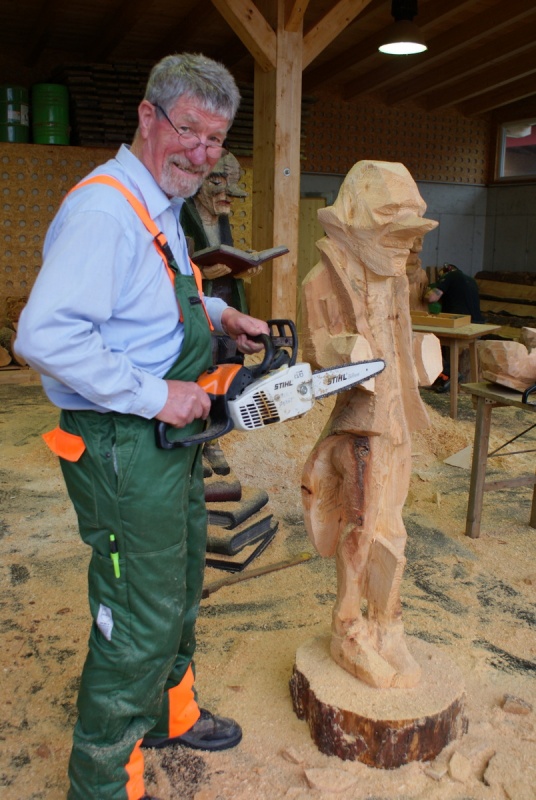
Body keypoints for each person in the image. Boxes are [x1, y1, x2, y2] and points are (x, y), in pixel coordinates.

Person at [15, 53, 269, 800]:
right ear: (148, 117)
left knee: (179, 583)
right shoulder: (105, 211)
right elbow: (44, 335)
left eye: (215, 139)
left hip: (168, 442)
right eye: (189, 130)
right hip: (124, 442)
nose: (201, 152)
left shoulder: (159, 201)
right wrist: (156, 395)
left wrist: (219, 315)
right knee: (137, 613)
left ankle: (169, 713)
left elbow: (149, 300)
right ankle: (101, 782)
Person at [301, 161, 439, 689]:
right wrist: (343, 349)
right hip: (361, 428)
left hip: (396, 421)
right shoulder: (321, 280)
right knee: (361, 528)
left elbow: (400, 343)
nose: (406, 248)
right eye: (395, 235)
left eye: (410, 237)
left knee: (394, 527)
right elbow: (316, 350)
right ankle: (348, 625)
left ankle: (388, 622)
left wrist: (418, 359)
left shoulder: (396, 282)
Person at [180, 152, 260, 475]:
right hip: (198, 310)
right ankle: (192, 447)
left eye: (230, 191)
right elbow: (174, 274)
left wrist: (241, 268)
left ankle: (214, 441)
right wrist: (200, 272)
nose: (226, 197)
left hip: (225, 305)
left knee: (226, 374)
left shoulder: (221, 219)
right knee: (198, 375)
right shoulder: (180, 217)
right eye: (217, 185)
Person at [425, 263, 484, 391]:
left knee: (429, 340)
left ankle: (449, 373)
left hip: (461, 324)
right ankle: (445, 377)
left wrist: (425, 292)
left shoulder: (451, 275)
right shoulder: (470, 280)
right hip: (477, 324)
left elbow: (432, 298)